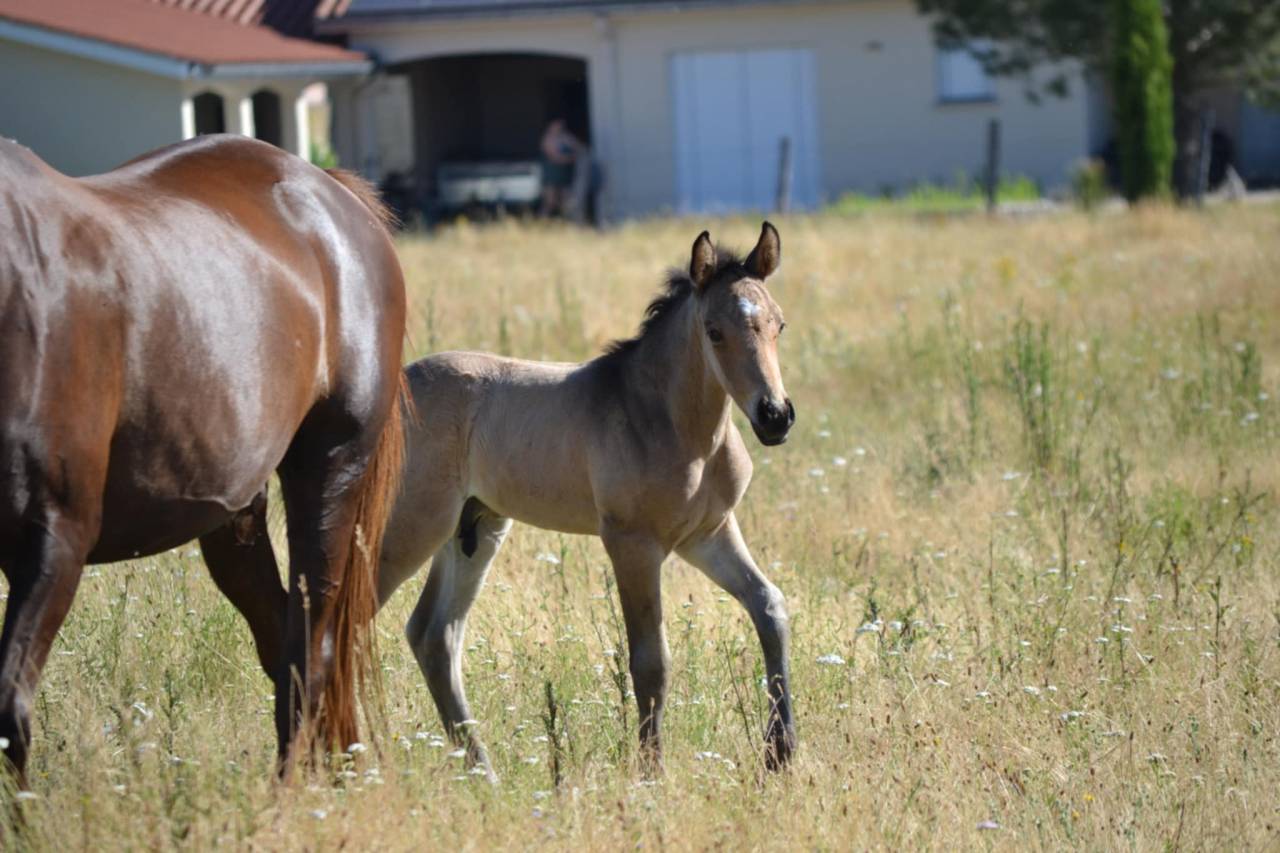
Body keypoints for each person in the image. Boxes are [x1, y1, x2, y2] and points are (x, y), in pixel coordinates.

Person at [539, 118, 582, 218]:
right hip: (551, 175)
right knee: (550, 201)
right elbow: (555, 157)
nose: (558, 128)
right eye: (556, 125)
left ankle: (567, 220)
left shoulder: (566, 137)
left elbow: (579, 148)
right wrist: (571, 158)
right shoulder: (547, 139)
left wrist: (571, 148)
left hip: (564, 174)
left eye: (560, 126)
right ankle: (542, 220)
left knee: (566, 200)